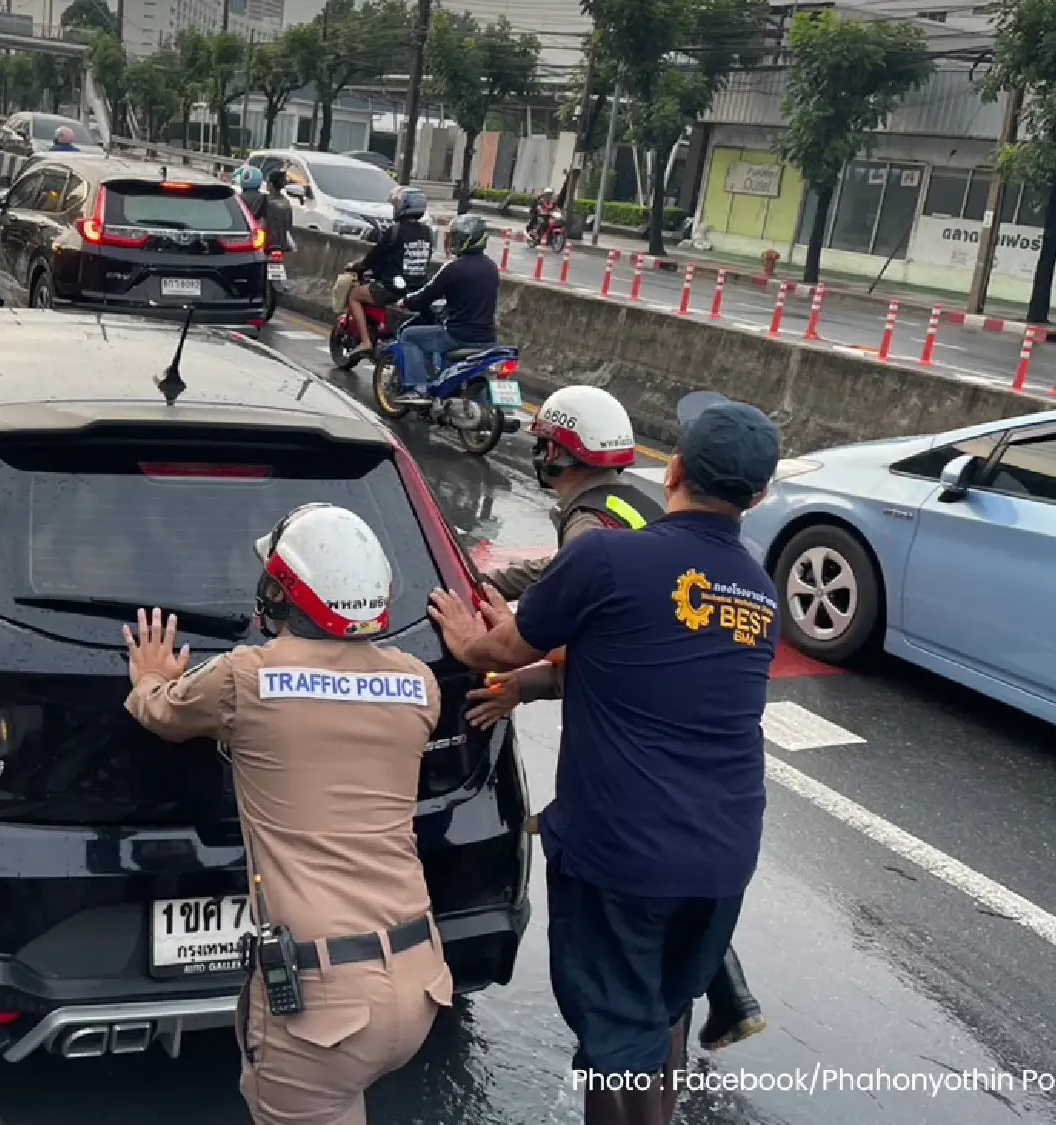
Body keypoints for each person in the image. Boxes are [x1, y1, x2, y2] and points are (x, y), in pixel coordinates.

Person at [427, 391, 782, 1125]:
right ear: (762, 494)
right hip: (722, 857)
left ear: (674, 466)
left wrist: (469, 640)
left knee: (619, 1042)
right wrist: (526, 682)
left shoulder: (606, 554)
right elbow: (626, 668)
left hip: (624, 854)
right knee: (661, 1011)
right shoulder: (759, 586)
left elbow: (501, 645)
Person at [123, 503, 452, 1125]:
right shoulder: (419, 684)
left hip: (325, 1003)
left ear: (278, 588)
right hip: (420, 979)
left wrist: (148, 676)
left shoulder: (247, 678)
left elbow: (163, 712)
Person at [392, 213, 496, 401]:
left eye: (456, 237)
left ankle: (418, 388)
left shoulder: (453, 268)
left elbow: (428, 294)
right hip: (487, 338)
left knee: (409, 336)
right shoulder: (491, 267)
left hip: (458, 336)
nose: (452, 241)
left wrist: (406, 302)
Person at [345, 186, 434, 360]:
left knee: (354, 295)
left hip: (392, 289)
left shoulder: (395, 231)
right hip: (417, 288)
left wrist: (359, 266)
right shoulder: (427, 232)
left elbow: (375, 256)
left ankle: (365, 342)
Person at [260, 168, 296, 256]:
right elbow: (289, 226)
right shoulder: (286, 202)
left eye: (268, 182)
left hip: (266, 244)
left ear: (271, 184)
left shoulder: (264, 200)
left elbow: (260, 223)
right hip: (282, 245)